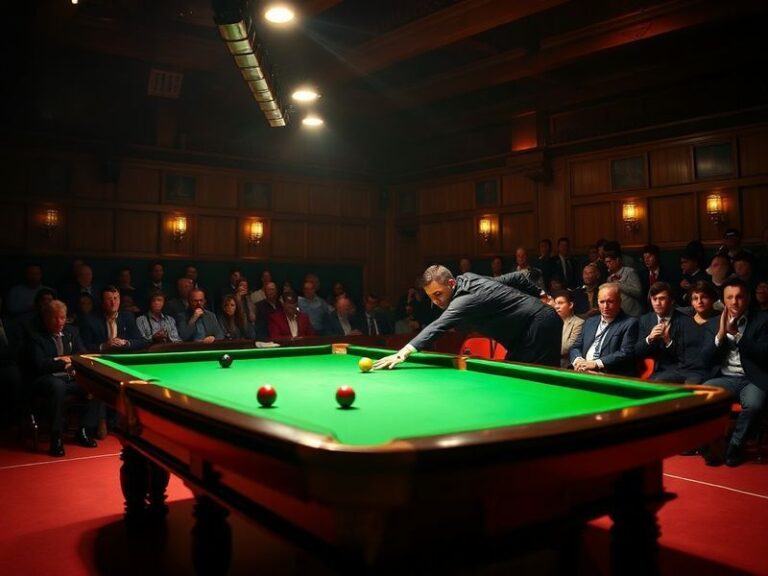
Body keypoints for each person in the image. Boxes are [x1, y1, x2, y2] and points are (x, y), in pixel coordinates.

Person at [374, 265, 561, 369]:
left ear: (451, 283)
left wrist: (403, 352)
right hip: (522, 334)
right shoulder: (470, 279)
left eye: (438, 294)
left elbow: (438, 326)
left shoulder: (465, 299)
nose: (436, 301)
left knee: (533, 380)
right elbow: (519, 277)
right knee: (514, 375)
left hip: (539, 325)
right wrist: (541, 294)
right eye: (430, 297)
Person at [701, 278, 768, 467]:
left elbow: (764, 355)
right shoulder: (714, 322)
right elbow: (704, 359)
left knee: (754, 405)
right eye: (729, 297)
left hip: (752, 379)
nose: (734, 302)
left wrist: (737, 335)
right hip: (724, 378)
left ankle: (735, 446)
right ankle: (713, 445)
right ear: (723, 300)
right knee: (702, 396)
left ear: (747, 298)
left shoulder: (763, 320)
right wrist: (721, 335)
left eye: (739, 297)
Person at [29, 300, 103, 456]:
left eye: (62, 317)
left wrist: (61, 359)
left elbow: (80, 355)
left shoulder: (72, 332)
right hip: (46, 379)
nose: (59, 322)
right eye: (55, 318)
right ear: (46, 318)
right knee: (57, 387)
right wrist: (64, 361)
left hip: (70, 377)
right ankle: (56, 436)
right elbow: (40, 364)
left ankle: (83, 430)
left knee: (95, 384)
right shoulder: (36, 337)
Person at [634, 282, 706, 383]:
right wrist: (649, 338)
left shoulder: (686, 321)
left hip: (677, 370)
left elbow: (686, 358)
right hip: (651, 369)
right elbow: (636, 351)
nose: (657, 303)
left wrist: (668, 341)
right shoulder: (645, 319)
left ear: (671, 301)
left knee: (658, 382)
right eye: (654, 299)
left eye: (662, 299)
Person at [569, 283, 638, 376]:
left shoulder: (629, 323)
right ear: (597, 302)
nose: (606, 306)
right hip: (582, 370)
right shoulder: (590, 321)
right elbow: (576, 347)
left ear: (619, 301)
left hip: (609, 374)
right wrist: (578, 360)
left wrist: (595, 363)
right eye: (602, 302)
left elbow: (625, 353)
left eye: (610, 301)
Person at [80, 286, 148, 352]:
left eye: (115, 298)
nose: (113, 303)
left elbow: (141, 341)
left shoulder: (128, 317)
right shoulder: (90, 320)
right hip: (101, 358)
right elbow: (85, 346)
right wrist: (103, 346)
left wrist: (125, 342)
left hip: (123, 357)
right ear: (103, 302)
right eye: (109, 299)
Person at [604, 246, 643, 317]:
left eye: (609, 261)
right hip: (618, 315)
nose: (607, 264)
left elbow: (638, 292)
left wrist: (618, 284)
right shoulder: (609, 279)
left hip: (633, 314)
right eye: (606, 262)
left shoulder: (630, 272)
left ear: (617, 260)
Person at [552, 290, 583, 368]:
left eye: (560, 303)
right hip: (550, 362)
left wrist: (546, 348)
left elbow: (566, 348)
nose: (556, 306)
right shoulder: (552, 321)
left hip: (566, 366)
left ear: (570, 305)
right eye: (555, 303)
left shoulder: (579, 323)